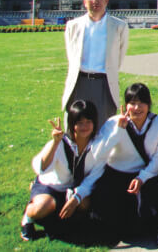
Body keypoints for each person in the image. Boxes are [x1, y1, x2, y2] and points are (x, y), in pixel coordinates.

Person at [90, 83, 158, 240]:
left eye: (142, 103)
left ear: (149, 105)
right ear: (125, 105)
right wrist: (118, 131)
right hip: (116, 175)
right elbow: (98, 154)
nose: (137, 108)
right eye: (132, 103)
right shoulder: (113, 123)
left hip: (144, 176)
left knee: (148, 214)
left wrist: (142, 178)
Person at [21, 100, 104, 242]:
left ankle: (60, 220)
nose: (84, 126)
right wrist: (54, 143)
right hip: (53, 186)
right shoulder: (61, 142)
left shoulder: (98, 145)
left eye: (88, 121)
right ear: (72, 124)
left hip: (75, 189)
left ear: (95, 122)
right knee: (40, 209)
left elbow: (94, 176)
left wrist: (76, 198)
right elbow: (41, 168)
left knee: (84, 205)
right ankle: (28, 217)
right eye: (79, 122)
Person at [62, 0, 129, 128]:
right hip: (79, 82)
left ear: (106, 0)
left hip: (104, 83)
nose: (95, 1)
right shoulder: (73, 26)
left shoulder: (119, 26)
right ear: (84, 2)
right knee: (75, 128)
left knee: (104, 129)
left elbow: (119, 58)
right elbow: (71, 56)